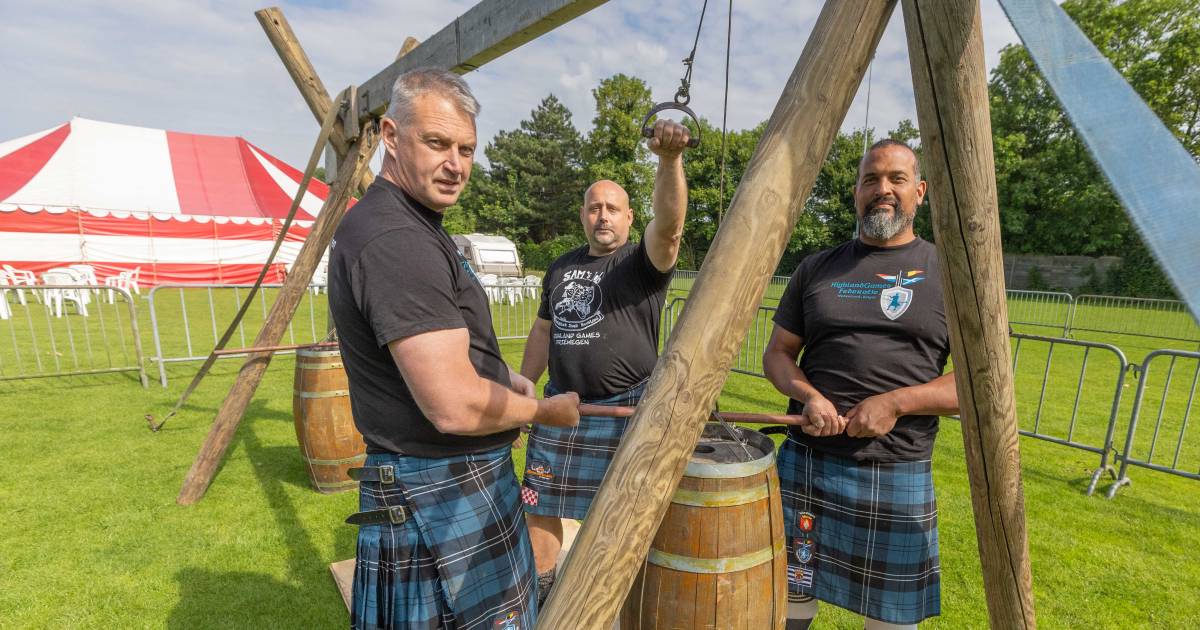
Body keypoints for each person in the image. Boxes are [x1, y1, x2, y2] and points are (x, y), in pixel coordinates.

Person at [328, 67, 580, 630]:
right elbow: (454, 405)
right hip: (437, 488)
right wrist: (543, 409)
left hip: (446, 479)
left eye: (466, 148)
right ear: (391, 136)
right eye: (437, 143)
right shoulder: (398, 240)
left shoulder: (416, 226)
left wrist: (502, 379)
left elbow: (448, 356)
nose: (456, 164)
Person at [762, 139, 960, 630]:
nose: (882, 190)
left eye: (895, 179)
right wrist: (809, 395)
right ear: (856, 192)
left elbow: (981, 386)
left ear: (920, 191)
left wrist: (896, 403)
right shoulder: (817, 268)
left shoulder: (952, 273)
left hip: (896, 467)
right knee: (786, 601)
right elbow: (778, 354)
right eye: (871, 179)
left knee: (890, 621)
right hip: (809, 459)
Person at [517, 118, 692, 605]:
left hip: (624, 410)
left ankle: (617, 606)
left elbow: (672, 227)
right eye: (595, 208)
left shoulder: (641, 263)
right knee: (540, 508)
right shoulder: (561, 265)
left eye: (613, 208)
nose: (603, 216)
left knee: (624, 518)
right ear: (582, 215)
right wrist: (523, 388)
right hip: (560, 409)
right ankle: (546, 601)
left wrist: (670, 159)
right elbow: (543, 330)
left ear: (630, 217)